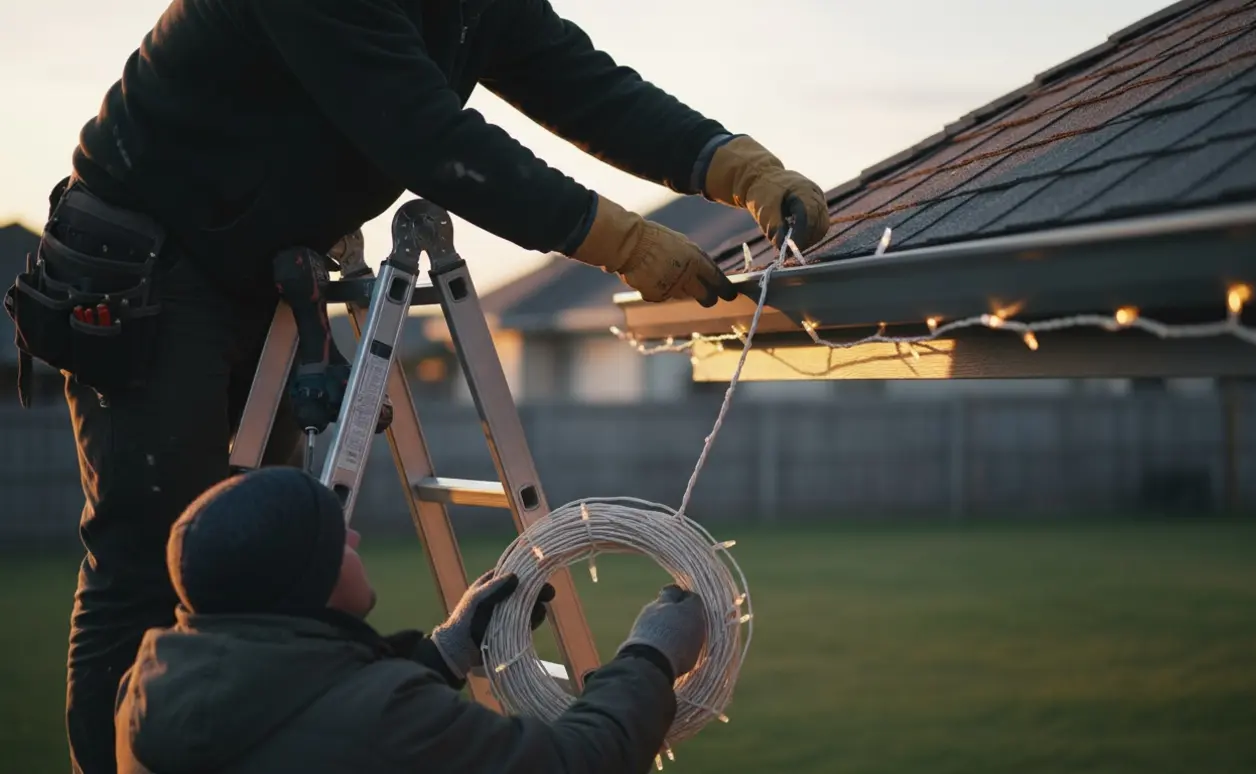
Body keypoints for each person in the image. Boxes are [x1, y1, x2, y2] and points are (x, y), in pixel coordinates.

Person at [2, 1, 829, 771]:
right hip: (147, 261)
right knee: (152, 561)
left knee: (278, 585)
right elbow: (426, 137)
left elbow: (585, 87)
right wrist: (621, 240)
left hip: (257, 267)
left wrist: (735, 166)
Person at [114, 465, 710, 774]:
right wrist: (650, 657)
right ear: (303, 585)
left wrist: (446, 651)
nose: (354, 534)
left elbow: (311, 715)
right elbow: (572, 766)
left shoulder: (149, 687)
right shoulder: (383, 717)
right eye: (333, 542)